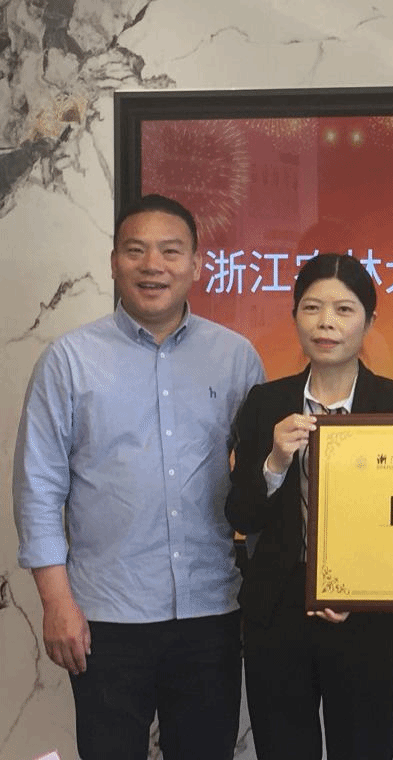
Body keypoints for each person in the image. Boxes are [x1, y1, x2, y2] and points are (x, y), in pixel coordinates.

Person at [13, 194, 265, 759]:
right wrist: (56, 602)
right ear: (113, 262)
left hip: (210, 612)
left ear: (196, 264)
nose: (153, 265)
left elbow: (258, 487)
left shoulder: (236, 357)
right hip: (105, 617)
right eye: (136, 250)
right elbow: (38, 488)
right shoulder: (69, 360)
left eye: (170, 251)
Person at [225, 252, 393, 760]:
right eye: (312, 308)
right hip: (278, 616)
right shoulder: (265, 403)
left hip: (366, 619)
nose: (326, 323)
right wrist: (274, 461)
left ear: (369, 321)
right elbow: (241, 514)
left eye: (344, 309)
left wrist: (360, 586)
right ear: (295, 316)